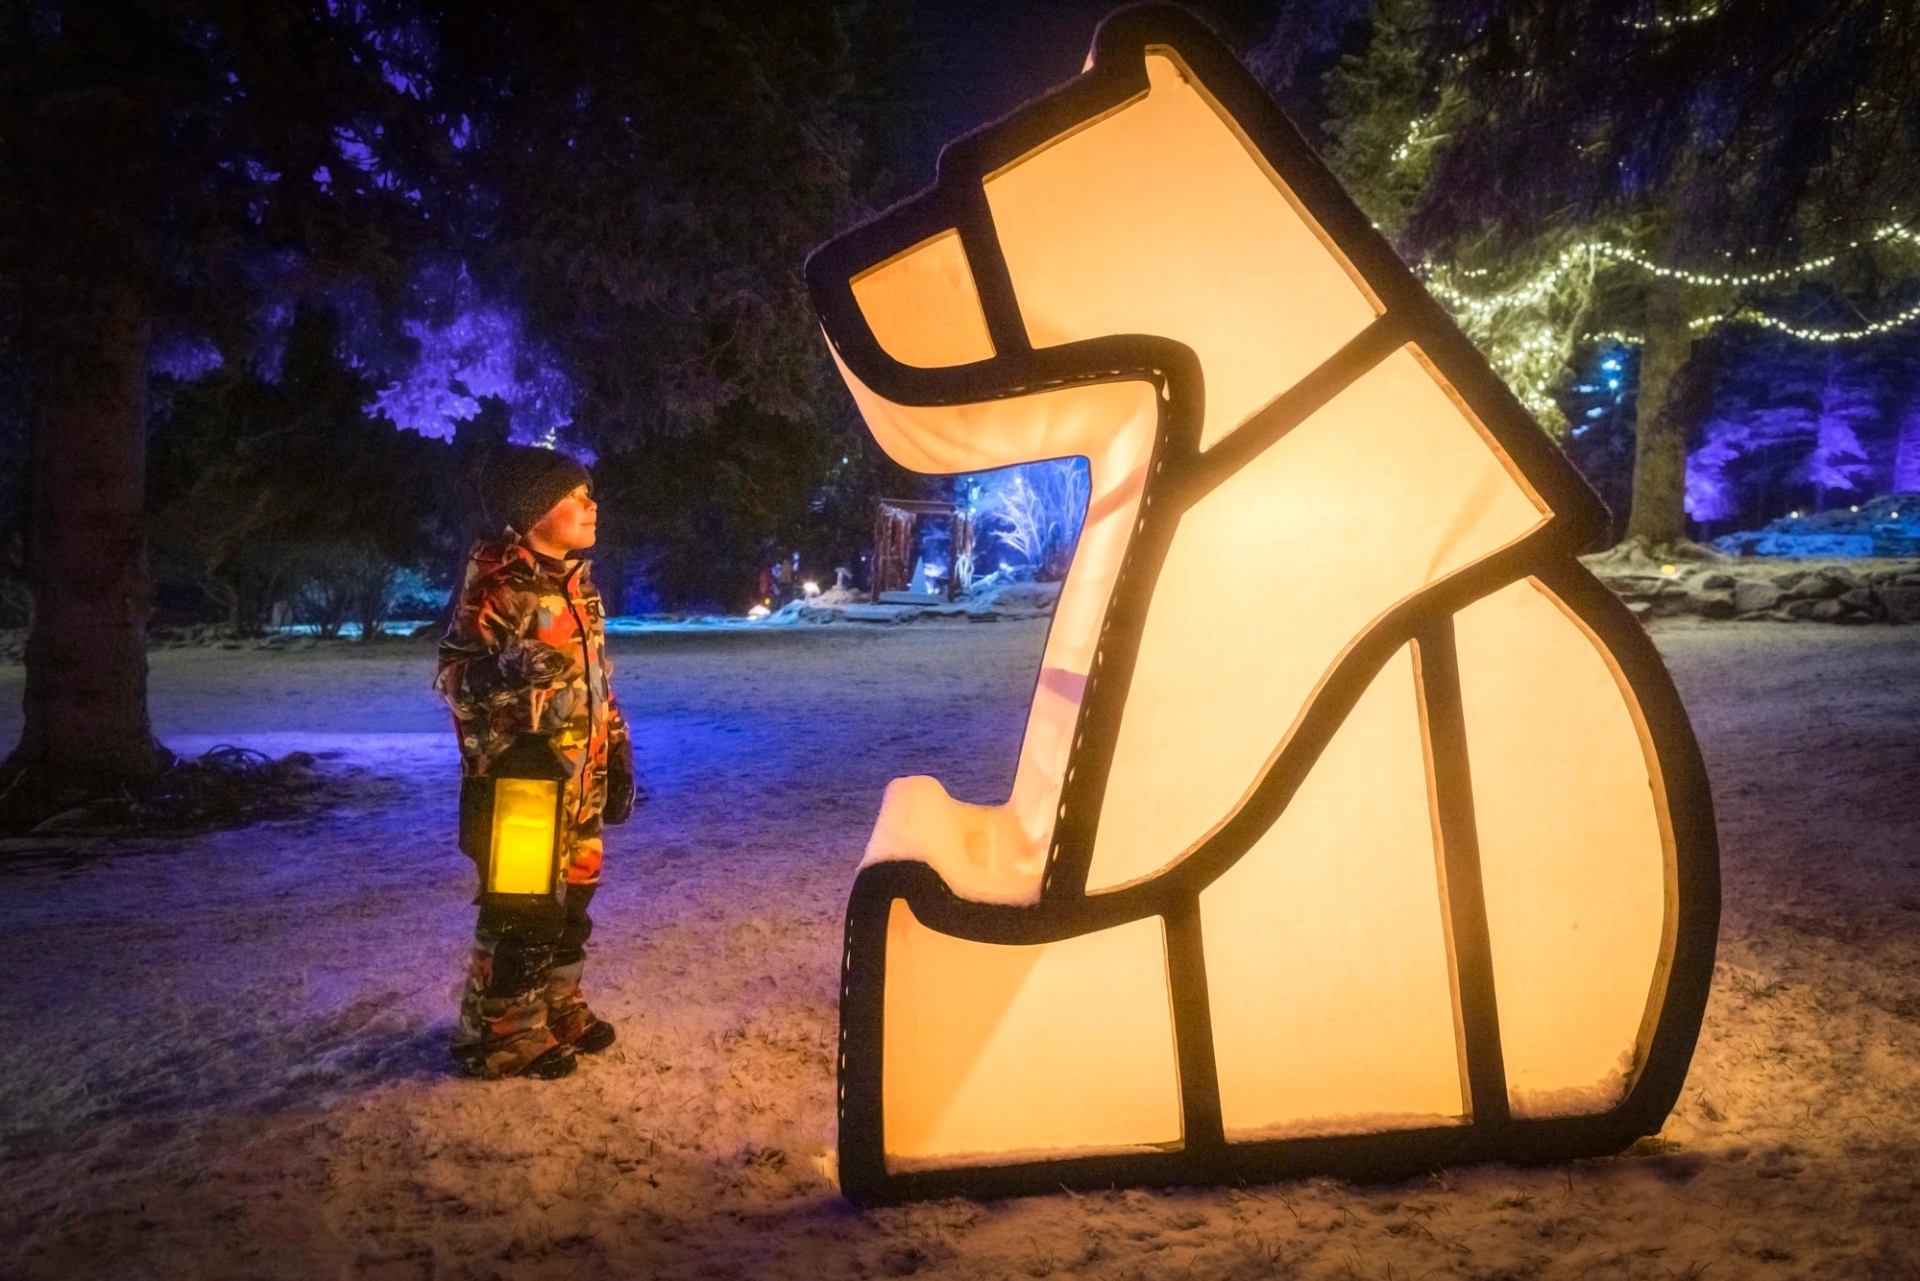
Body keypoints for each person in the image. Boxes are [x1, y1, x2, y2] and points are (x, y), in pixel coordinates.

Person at [435, 445, 638, 1080]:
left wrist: (617, 747)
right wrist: (504, 668)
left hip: (581, 780)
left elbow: (597, 681)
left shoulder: (578, 586)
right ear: (533, 512)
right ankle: (498, 1033)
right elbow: (453, 679)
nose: (591, 506)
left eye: (589, 494)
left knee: (572, 901)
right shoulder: (500, 586)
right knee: (523, 908)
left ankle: (554, 1004)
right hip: (522, 783)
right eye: (574, 497)